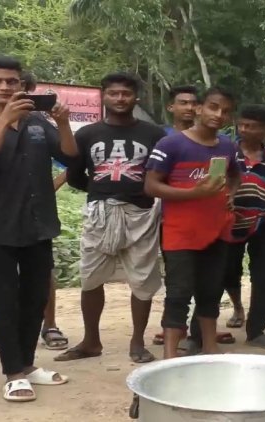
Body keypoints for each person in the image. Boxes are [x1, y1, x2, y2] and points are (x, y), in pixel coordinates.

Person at [0, 55, 76, 402]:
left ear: (23, 85)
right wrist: (6, 120)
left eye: (12, 81)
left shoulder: (38, 122)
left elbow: (71, 157)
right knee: (4, 301)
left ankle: (27, 365)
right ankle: (12, 373)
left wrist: (64, 123)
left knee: (35, 299)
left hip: (39, 224)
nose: (5, 87)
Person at [56, 72, 165, 364]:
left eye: (126, 94)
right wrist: (99, 190)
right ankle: (91, 341)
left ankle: (137, 342)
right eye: (114, 93)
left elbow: (161, 173)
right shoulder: (88, 134)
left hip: (141, 213)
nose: (120, 99)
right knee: (90, 278)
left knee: (142, 279)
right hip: (100, 213)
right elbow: (75, 174)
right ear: (103, 96)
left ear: (135, 97)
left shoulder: (153, 134)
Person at [145, 86, 240, 358]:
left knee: (211, 291)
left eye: (225, 111)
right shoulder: (171, 144)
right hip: (180, 233)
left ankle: (210, 346)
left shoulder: (227, 146)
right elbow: (151, 186)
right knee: (179, 293)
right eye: (213, 107)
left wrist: (230, 195)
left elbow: (234, 176)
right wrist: (192, 193)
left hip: (217, 230)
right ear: (199, 108)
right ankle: (170, 356)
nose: (218, 115)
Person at [220, 104, 265, 351]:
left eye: (252, 126)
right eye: (242, 124)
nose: (245, 129)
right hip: (229, 223)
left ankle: (256, 331)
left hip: (264, 222)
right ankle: (206, 328)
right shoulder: (226, 153)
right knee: (225, 273)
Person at [152, 84, 200, 347]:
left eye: (194, 103)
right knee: (176, 277)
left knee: (201, 278)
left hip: (201, 220)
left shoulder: (209, 138)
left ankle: (196, 332)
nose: (189, 108)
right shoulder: (161, 138)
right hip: (166, 218)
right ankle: (174, 329)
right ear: (171, 107)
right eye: (183, 103)